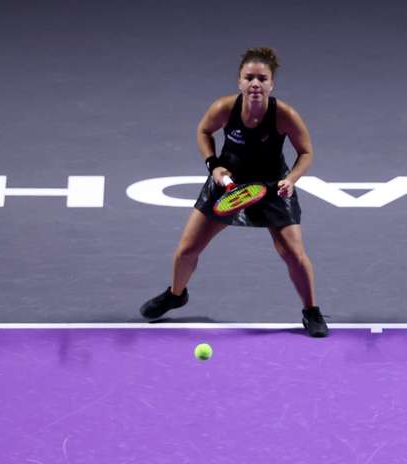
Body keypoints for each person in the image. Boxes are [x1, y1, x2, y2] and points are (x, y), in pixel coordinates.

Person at [140, 47, 328, 337]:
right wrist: (214, 165)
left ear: (271, 84)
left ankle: (311, 311)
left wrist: (291, 179)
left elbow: (306, 152)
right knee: (187, 249)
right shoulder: (225, 108)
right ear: (240, 82)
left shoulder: (284, 115)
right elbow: (204, 131)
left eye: (262, 79)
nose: (255, 84)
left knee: (293, 253)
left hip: (271, 186)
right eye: (249, 77)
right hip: (228, 184)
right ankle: (177, 294)